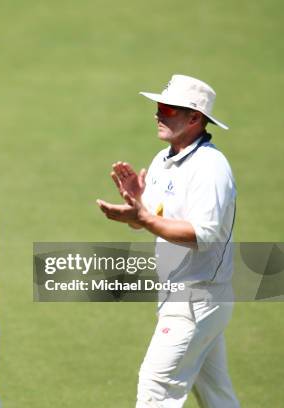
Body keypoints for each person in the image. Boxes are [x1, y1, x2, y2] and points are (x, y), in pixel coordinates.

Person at [96, 75, 239, 407]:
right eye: (158, 107)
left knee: (156, 388)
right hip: (181, 295)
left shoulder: (211, 168)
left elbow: (203, 235)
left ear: (194, 119)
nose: (158, 114)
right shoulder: (163, 160)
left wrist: (144, 218)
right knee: (217, 395)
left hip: (198, 298)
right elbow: (154, 220)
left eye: (167, 108)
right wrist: (137, 207)